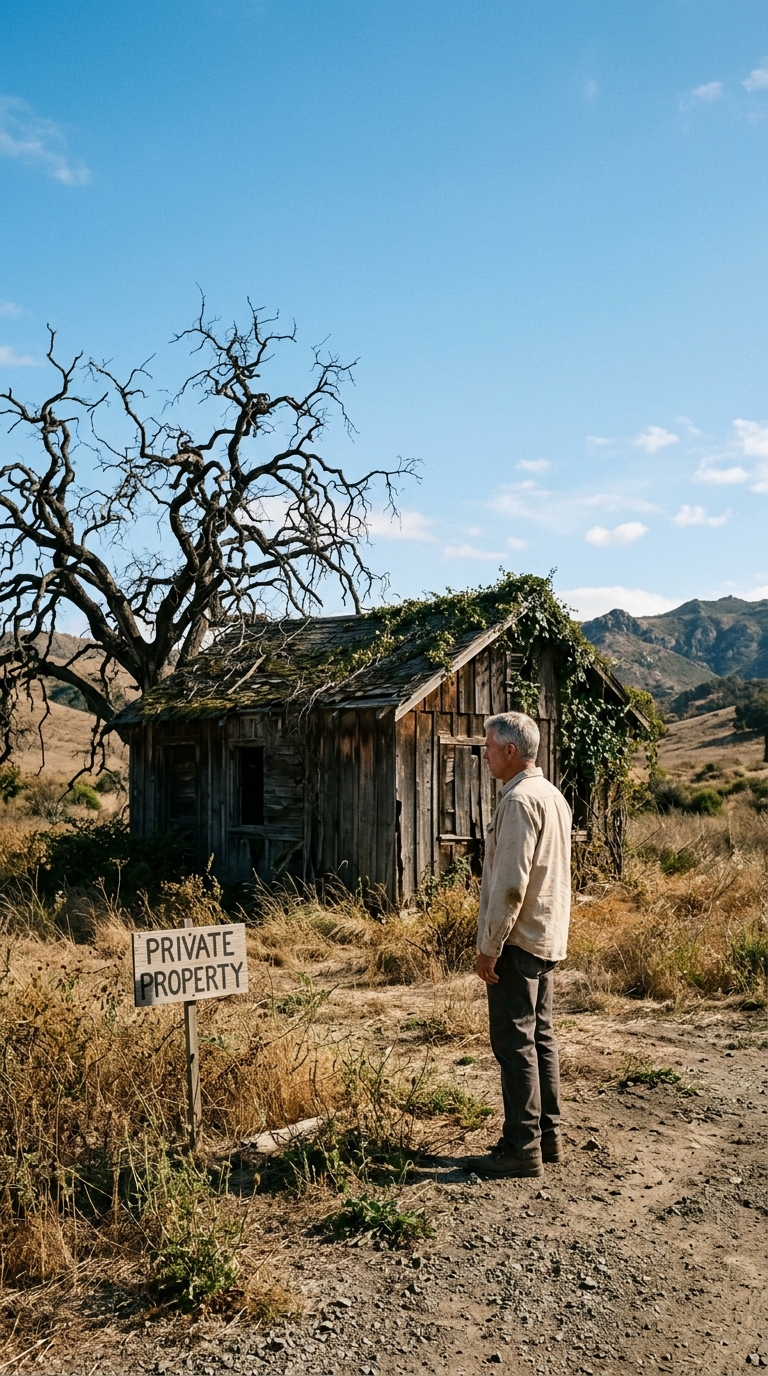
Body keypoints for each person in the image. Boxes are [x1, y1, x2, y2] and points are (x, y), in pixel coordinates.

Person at [463, 711, 572, 1179]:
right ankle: (549, 1137)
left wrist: (491, 946)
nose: (483, 755)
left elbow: (510, 884)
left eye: (488, 747)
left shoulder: (518, 801)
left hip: (519, 940)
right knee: (540, 1039)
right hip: (546, 936)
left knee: (514, 1042)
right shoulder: (553, 796)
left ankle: (520, 1147)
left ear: (510, 751)